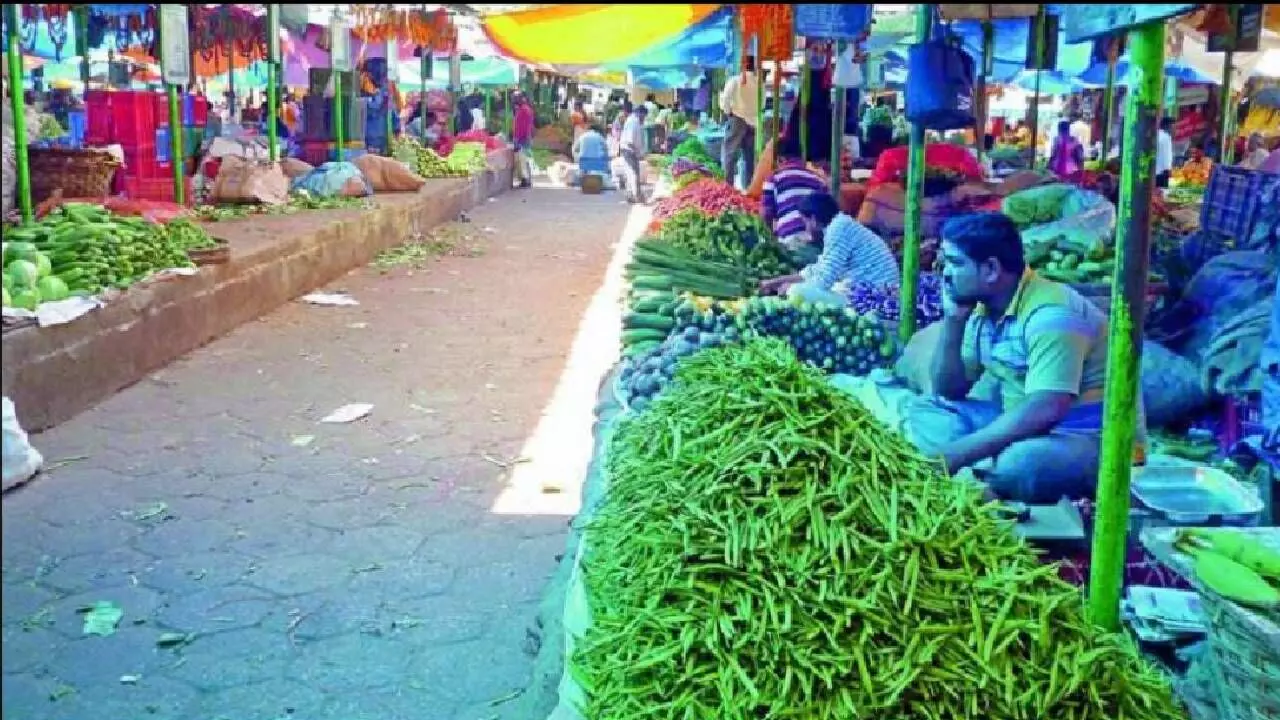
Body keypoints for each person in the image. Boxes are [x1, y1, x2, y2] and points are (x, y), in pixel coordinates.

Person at [921, 211, 1135, 502]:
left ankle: (994, 481)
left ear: (991, 270)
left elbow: (1046, 408)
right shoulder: (983, 309)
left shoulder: (1052, 314)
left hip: (1083, 438)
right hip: (1020, 421)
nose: (945, 272)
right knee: (922, 413)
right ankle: (987, 473)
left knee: (1020, 464)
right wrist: (954, 320)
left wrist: (956, 454)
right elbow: (949, 390)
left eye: (955, 263)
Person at [758, 192, 899, 305]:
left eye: (805, 221)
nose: (806, 228)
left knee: (796, 292)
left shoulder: (839, 229)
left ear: (813, 218)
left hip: (876, 299)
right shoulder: (839, 225)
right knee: (800, 289)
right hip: (869, 291)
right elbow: (816, 270)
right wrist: (776, 282)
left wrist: (789, 287)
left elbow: (823, 281)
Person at [761, 143, 828, 249]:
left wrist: (770, 239)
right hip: (817, 240)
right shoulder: (818, 180)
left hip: (789, 239)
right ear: (801, 158)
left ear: (780, 159)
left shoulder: (774, 178)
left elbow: (766, 214)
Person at [719, 56, 760, 190]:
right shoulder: (759, 82)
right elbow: (763, 103)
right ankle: (748, 187)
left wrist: (728, 112)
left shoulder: (735, 80)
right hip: (753, 122)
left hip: (737, 119)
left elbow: (725, 99)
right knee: (749, 158)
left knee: (729, 154)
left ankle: (727, 187)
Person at [618, 104, 648, 203]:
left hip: (631, 150)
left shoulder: (636, 121)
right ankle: (637, 196)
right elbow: (630, 142)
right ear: (639, 113)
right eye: (644, 115)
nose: (644, 118)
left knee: (632, 173)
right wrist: (638, 153)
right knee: (633, 173)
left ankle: (631, 195)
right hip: (629, 150)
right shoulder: (633, 122)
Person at [512, 93, 536, 190]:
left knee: (522, 159)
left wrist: (519, 138)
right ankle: (525, 179)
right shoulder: (523, 109)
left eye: (516, 98)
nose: (514, 100)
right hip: (523, 138)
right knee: (523, 160)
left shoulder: (524, 110)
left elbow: (524, 126)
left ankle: (525, 180)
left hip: (522, 139)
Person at [1155, 116, 1174, 188]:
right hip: (1161, 174)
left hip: (1154, 173)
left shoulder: (1157, 135)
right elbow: (1167, 157)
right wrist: (1169, 172)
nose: (1175, 130)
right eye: (1174, 127)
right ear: (1168, 126)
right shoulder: (1166, 138)